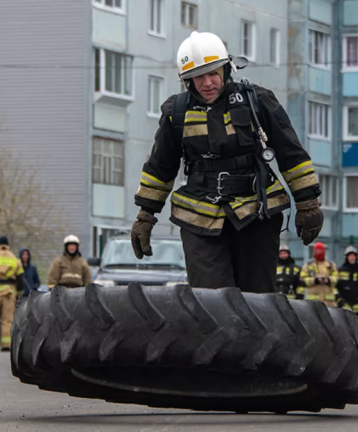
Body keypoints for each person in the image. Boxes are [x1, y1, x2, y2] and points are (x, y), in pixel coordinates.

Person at [130, 31, 323, 293]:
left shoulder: (258, 101)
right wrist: (145, 215)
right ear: (188, 79)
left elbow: (292, 155)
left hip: (256, 212)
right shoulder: (176, 113)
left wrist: (307, 203)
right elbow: (160, 167)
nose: (207, 82)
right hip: (198, 215)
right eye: (199, 76)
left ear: (226, 69)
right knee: (210, 303)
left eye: (213, 73)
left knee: (258, 301)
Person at [300, 242, 338, 307]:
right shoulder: (308, 265)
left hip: (328, 302)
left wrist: (328, 280)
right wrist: (315, 280)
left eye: (320, 250)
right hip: (313, 303)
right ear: (314, 252)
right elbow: (302, 280)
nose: (319, 252)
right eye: (317, 251)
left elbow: (337, 278)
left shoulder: (330, 265)